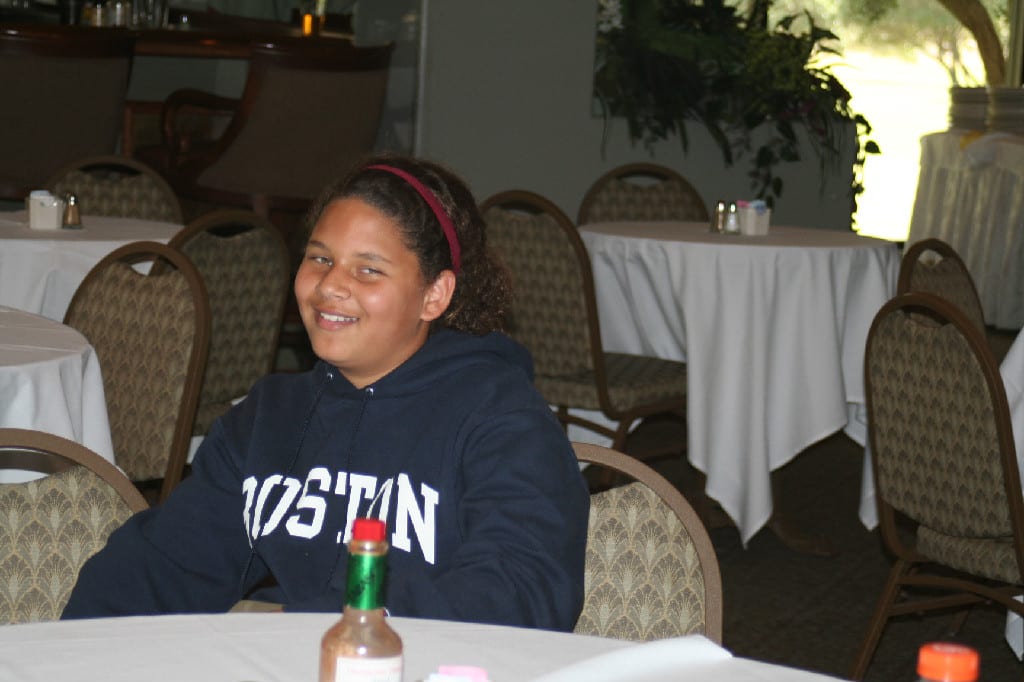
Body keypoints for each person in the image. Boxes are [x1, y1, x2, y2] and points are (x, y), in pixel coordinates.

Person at [62, 155, 590, 631]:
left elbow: (524, 589)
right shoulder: (268, 417)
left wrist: (333, 623)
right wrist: (74, 646)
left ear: (434, 295)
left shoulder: (502, 420)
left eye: (368, 270)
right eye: (319, 259)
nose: (330, 285)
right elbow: (168, 562)